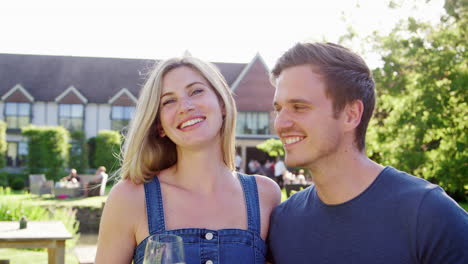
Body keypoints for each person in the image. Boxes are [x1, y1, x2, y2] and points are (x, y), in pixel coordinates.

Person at [267, 42, 468, 263]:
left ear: (351, 114)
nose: (281, 123)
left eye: (299, 107)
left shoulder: (429, 215)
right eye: (278, 109)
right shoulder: (283, 224)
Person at [95, 56, 281, 264]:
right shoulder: (130, 198)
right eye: (168, 101)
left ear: (222, 104)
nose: (185, 106)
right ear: (159, 126)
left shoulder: (265, 195)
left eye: (196, 91)